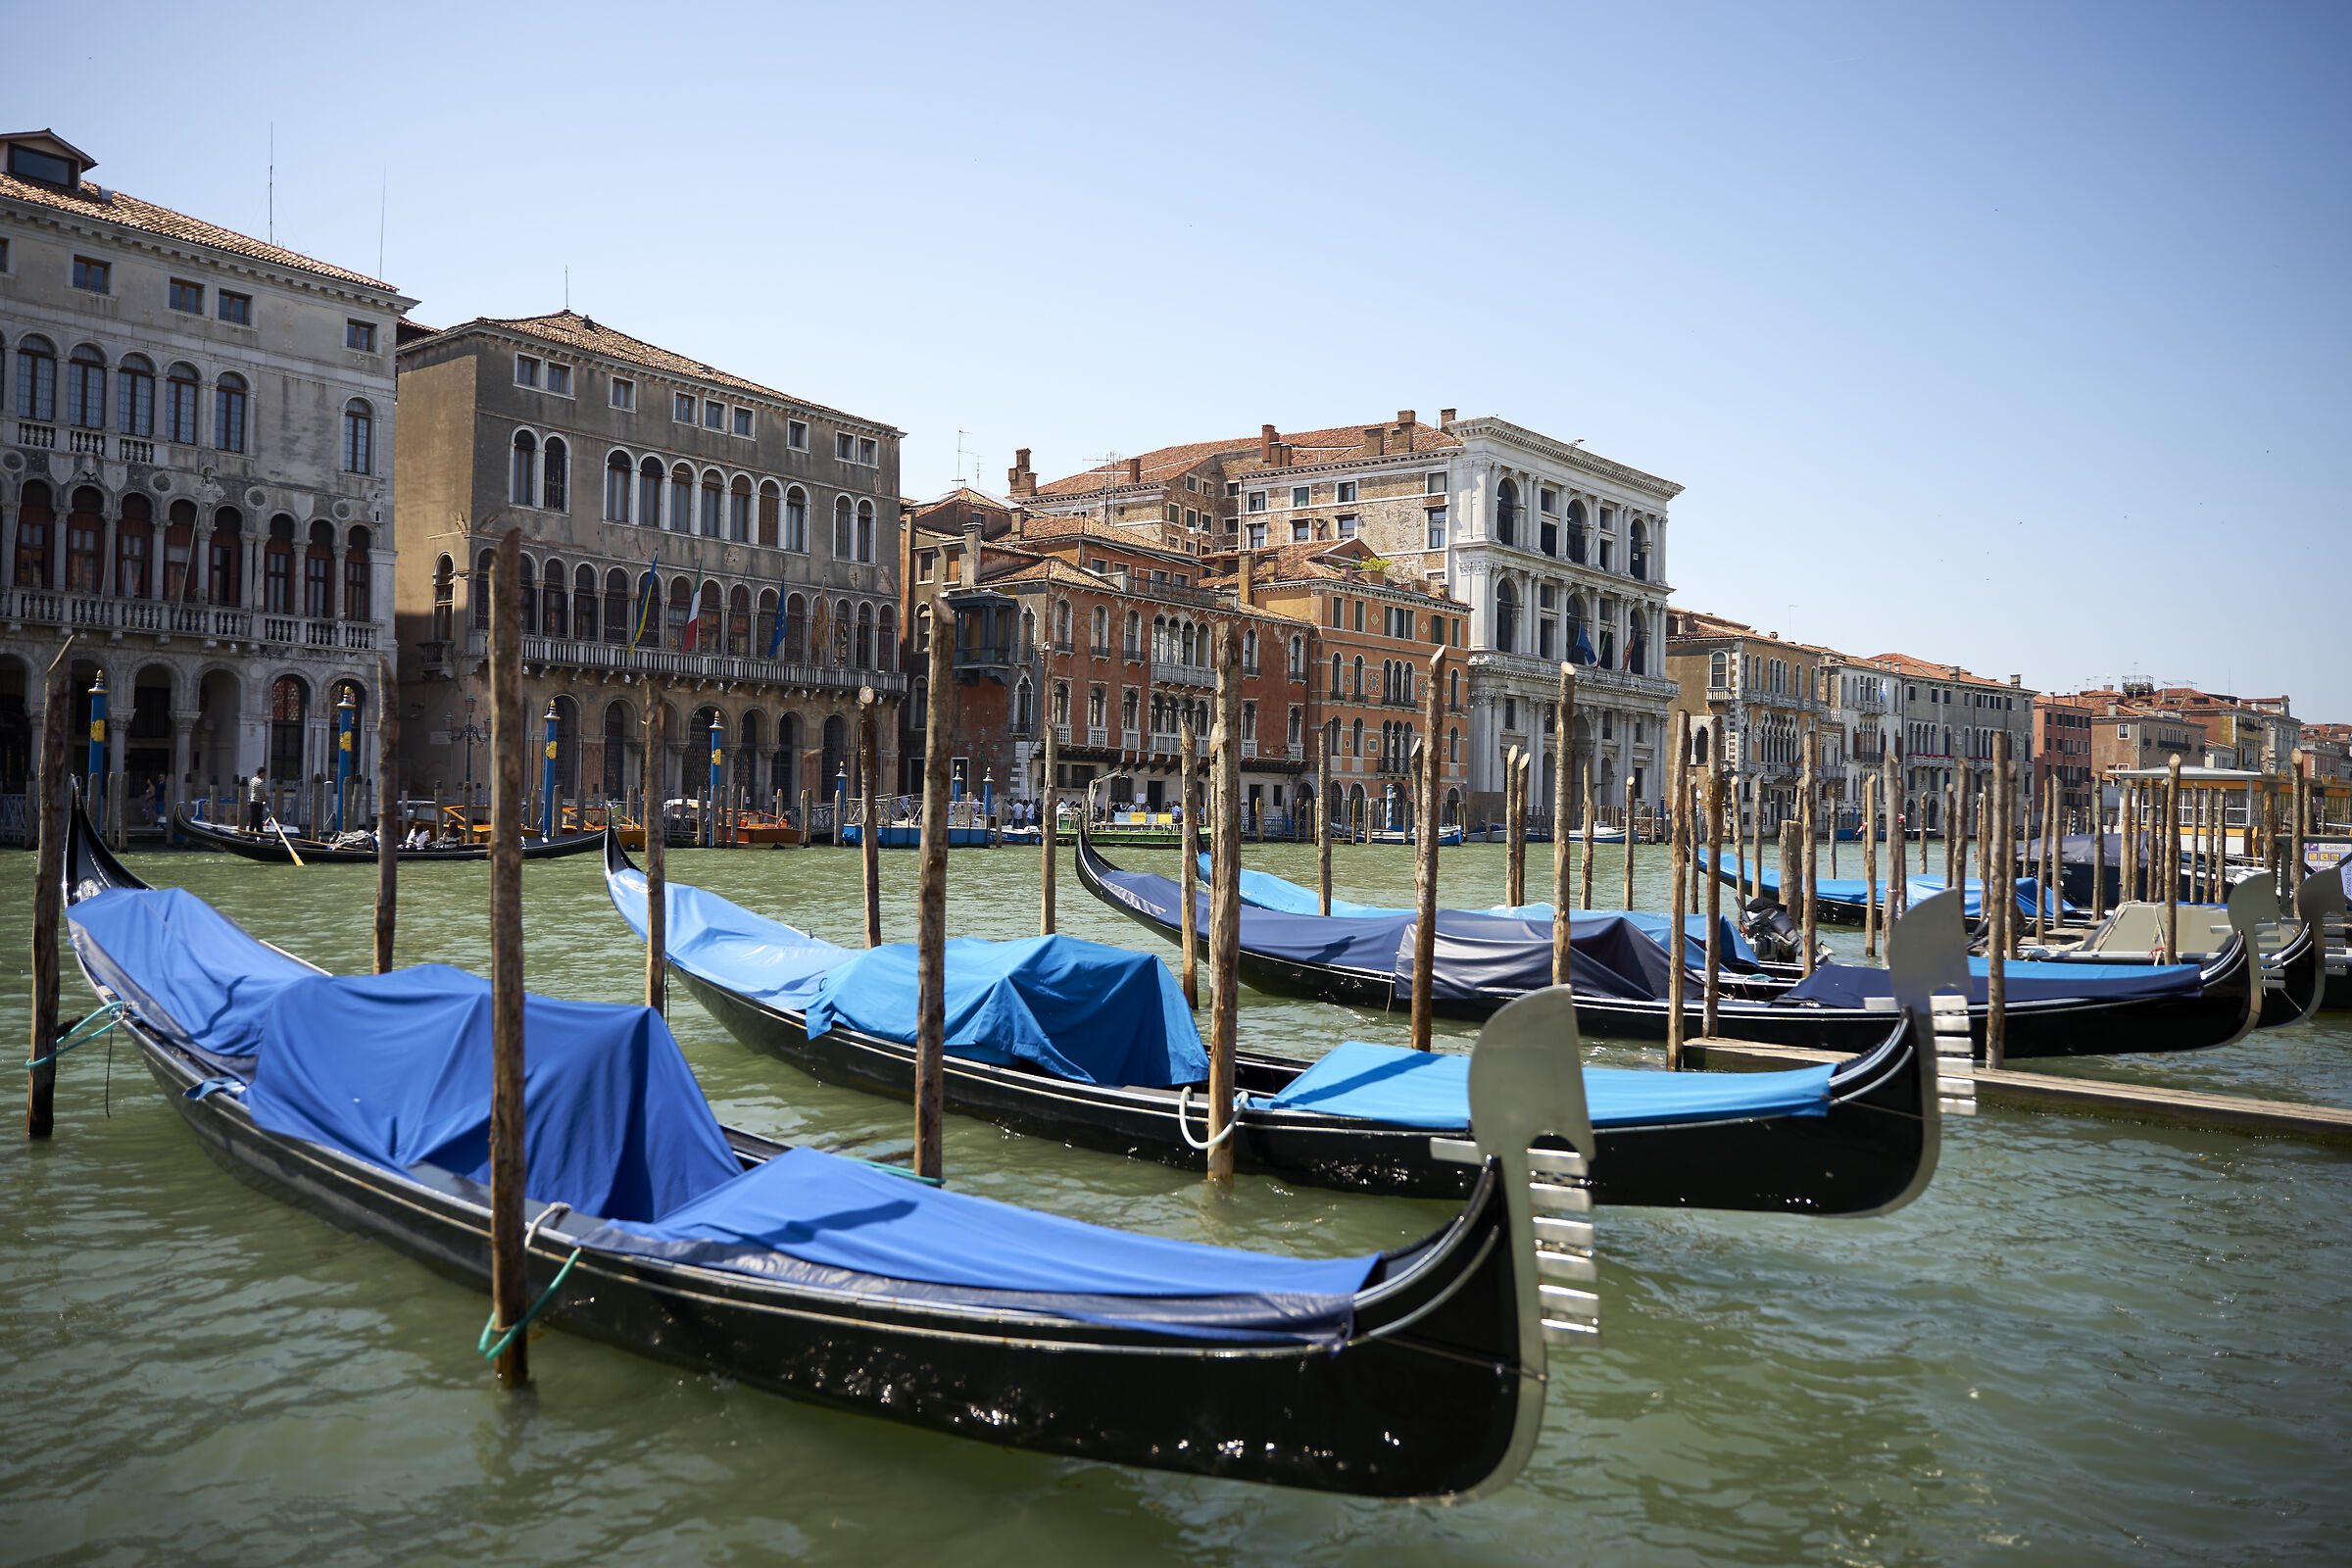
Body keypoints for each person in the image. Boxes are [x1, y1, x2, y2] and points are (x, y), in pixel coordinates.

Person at [246, 768, 268, 832]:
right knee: (255, 819)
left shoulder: (253, 780)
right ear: (261, 773)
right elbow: (262, 793)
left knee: (257, 819)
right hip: (257, 803)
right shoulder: (260, 782)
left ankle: (260, 833)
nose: (265, 775)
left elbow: (250, 788)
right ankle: (251, 834)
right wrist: (266, 801)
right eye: (265, 773)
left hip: (252, 801)